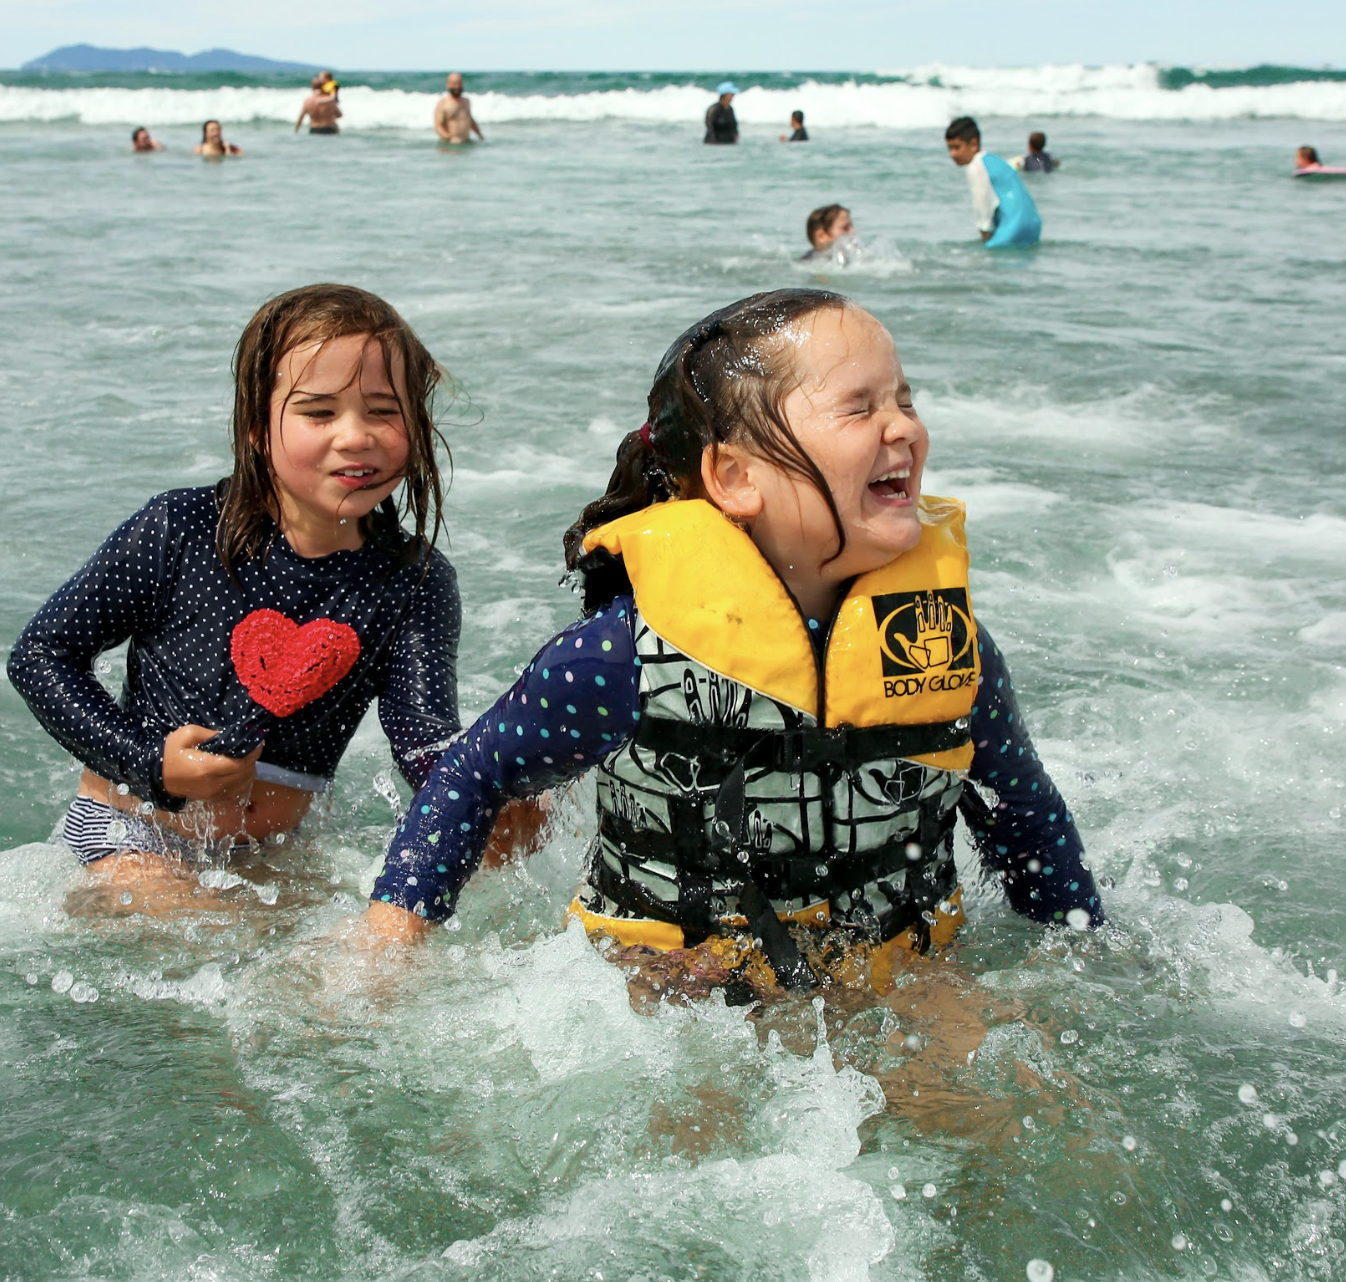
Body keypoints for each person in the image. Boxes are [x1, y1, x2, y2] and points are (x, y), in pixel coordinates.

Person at [365, 288, 1104, 1001]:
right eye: (860, 407)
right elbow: (471, 776)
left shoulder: (943, 648)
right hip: (668, 985)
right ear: (733, 475)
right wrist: (388, 940)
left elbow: (1026, 819)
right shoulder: (618, 657)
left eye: (905, 400)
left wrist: (1085, 959)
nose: (905, 427)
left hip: (897, 982)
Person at [7, 284, 465, 906]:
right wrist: (148, 765)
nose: (356, 436)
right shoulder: (183, 529)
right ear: (256, 429)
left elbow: (424, 741)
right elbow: (40, 655)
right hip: (132, 831)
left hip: (278, 855)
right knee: (226, 953)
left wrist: (490, 794)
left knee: (356, 975)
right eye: (320, 412)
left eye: (383, 410)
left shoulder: (413, 579)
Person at [945, 116, 1040, 249]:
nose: (952, 154)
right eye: (949, 148)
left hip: (1012, 230)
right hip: (1033, 226)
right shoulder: (996, 161)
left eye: (956, 147)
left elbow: (982, 208)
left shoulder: (975, 166)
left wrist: (986, 240)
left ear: (973, 144)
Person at [434, 73, 483, 143]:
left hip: (466, 143)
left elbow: (470, 120)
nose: (457, 86)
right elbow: (438, 127)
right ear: (448, 85)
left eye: (459, 83)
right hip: (449, 146)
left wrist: (480, 135)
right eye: (454, 83)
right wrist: (449, 138)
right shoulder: (443, 104)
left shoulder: (466, 102)